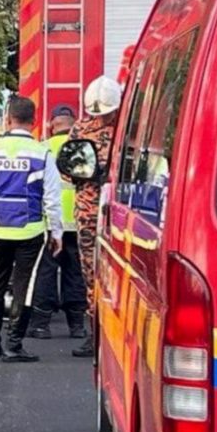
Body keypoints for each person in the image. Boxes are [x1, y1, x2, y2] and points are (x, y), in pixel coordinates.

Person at [0, 96, 63, 363]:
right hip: (30, 231)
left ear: (8, 119)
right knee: (25, 285)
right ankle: (14, 344)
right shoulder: (42, 154)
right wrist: (56, 233)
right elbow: (52, 199)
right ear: (33, 122)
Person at [69, 76, 121, 358]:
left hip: (120, 212)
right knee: (91, 273)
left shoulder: (129, 127)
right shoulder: (80, 129)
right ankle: (95, 332)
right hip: (90, 213)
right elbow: (67, 169)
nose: (102, 119)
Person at [26, 105, 88, 340]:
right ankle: (77, 325)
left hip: (51, 223)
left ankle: (41, 325)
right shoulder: (82, 149)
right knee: (75, 272)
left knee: (47, 272)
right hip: (77, 221)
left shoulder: (42, 149)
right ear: (74, 125)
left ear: (52, 126)